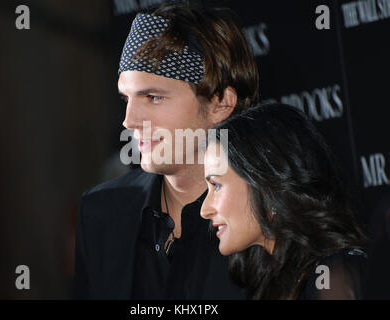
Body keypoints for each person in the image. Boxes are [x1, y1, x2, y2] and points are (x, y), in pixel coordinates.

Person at [74, 2, 258, 299]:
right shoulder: (100, 212)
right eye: (127, 99)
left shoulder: (268, 221)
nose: (130, 120)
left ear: (220, 103)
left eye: (153, 97)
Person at [200, 103, 368, 300]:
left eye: (217, 186)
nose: (204, 209)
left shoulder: (335, 275)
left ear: (266, 186)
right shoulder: (266, 283)